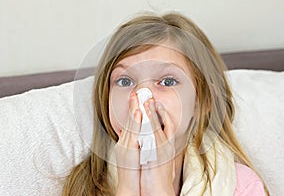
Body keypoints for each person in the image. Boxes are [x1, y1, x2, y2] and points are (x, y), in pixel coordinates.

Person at [63, 12, 269, 196]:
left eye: (167, 81)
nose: (142, 97)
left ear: (203, 101)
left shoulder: (241, 187)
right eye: (125, 81)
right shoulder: (84, 187)